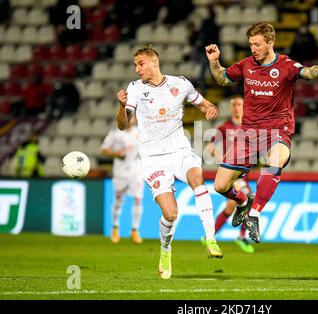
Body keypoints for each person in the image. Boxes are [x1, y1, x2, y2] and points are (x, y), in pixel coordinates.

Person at [205, 22, 318, 243]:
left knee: (276, 159)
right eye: (251, 44)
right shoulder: (246, 65)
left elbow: (307, 72)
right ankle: (243, 201)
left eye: (257, 44)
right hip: (249, 134)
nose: (253, 49)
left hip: (278, 129)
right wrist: (214, 63)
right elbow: (222, 78)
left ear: (270, 43)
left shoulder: (285, 65)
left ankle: (254, 214)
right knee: (220, 185)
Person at [116, 45, 222, 280]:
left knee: (197, 179)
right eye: (135, 64)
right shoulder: (135, 89)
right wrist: (122, 106)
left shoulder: (180, 84)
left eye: (140, 63)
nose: (137, 69)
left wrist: (210, 109)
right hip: (153, 158)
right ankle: (165, 250)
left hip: (179, 149)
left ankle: (211, 238)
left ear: (155, 62)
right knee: (171, 213)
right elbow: (123, 125)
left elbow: (204, 105)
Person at [204, 95, 255, 253]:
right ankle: (240, 237)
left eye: (239, 104)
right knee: (247, 199)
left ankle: (210, 235)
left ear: (244, 106)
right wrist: (222, 160)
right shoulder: (224, 127)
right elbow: (210, 148)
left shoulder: (249, 126)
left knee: (231, 205)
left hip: (244, 172)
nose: (236, 107)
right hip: (231, 172)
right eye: (233, 104)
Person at [100, 115, 144, 245]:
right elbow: (103, 150)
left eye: (132, 118)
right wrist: (115, 154)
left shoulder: (140, 132)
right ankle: (115, 228)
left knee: (137, 199)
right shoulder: (115, 133)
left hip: (136, 170)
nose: (130, 120)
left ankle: (135, 230)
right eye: (127, 118)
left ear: (135, 119)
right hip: (120, 171)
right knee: (118, 200)